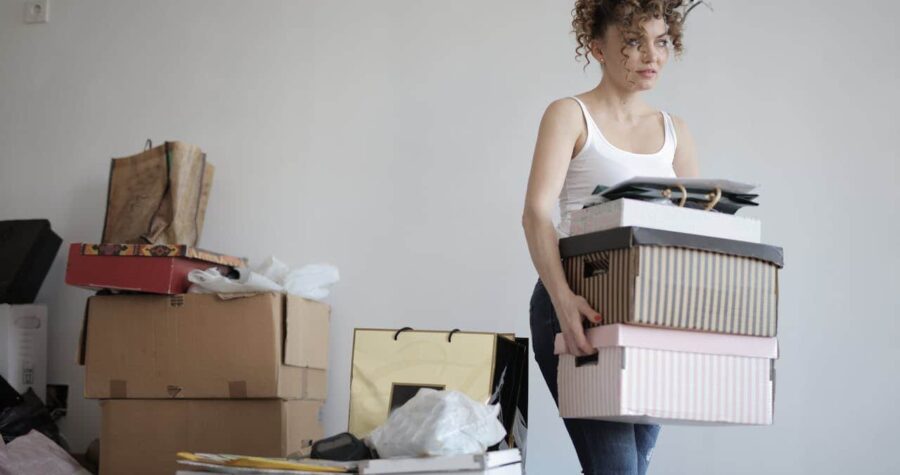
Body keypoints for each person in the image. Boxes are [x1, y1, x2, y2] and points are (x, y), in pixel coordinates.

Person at [521, 1, 700, 473]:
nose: (652, 56)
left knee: (631, 468)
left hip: (651, 316)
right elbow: (536, 214)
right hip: (579, 302)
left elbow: (694, 233)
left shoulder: (676, 132)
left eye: (661, 41)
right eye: (634, 42)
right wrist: (563, 302)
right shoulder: (570, 115)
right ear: (598, 48)